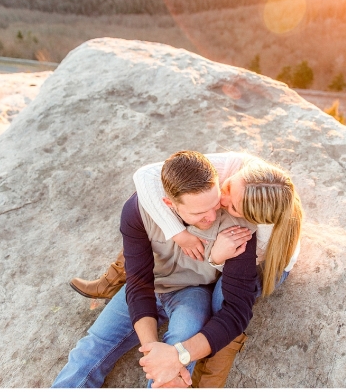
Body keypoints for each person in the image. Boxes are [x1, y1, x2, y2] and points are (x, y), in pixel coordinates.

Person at [70, 151, 304, 387]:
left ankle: (210, 371)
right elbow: (139, 283)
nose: (216, 211)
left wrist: (178, 356)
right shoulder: (147, 206)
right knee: (90, 349)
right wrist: (153, 352)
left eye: (225, 206)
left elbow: (235, 309)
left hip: (193, 293)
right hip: (154, 282)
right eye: (201, 212)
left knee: (216, 309)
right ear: (168, 204)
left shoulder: (242, 228)